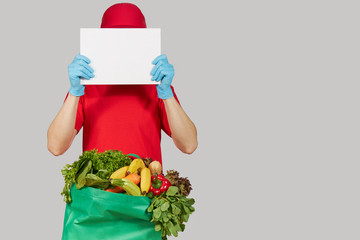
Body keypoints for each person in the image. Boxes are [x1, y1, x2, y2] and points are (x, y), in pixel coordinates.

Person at [47, 3, 198, 164]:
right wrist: (74, 92)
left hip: (145, 187)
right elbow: (56, 147)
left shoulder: (158, 86)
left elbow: (189, 145)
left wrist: (167, 94)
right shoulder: (85, 87)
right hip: (97, 188)